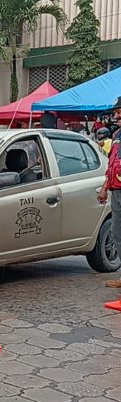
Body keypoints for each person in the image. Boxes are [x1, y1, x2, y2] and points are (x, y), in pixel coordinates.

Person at [98, 97, 121, 288]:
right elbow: (112, 166)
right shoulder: (118, 135)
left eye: (119, 112)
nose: (116, 116)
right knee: (116, 232)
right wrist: (105, 187)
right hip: (116, 191)